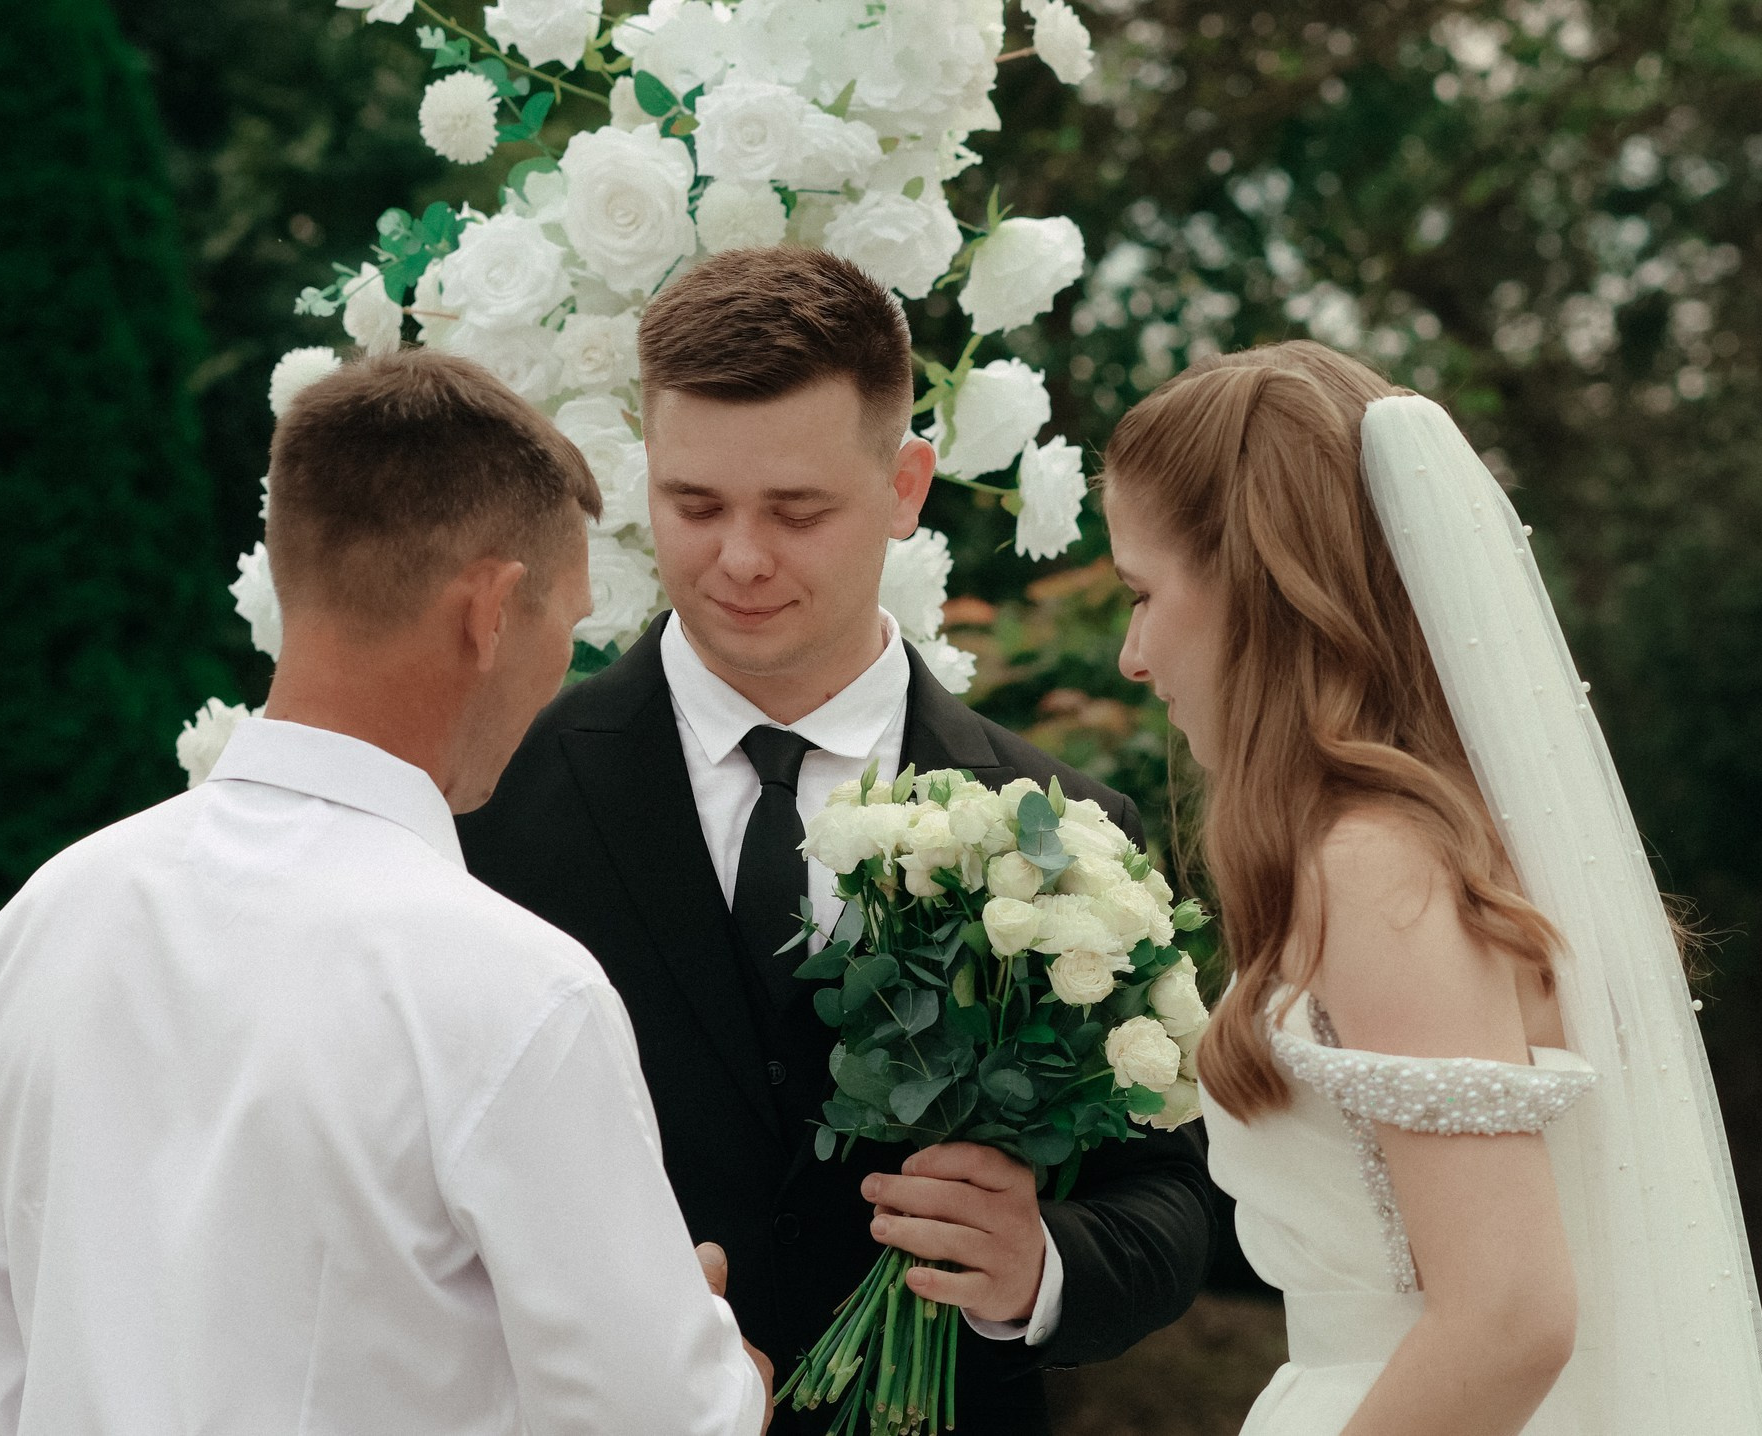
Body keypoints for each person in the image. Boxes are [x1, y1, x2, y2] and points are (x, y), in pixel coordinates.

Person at [0, 349, 773, 1436]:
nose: (571, 663)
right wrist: (720, 1365)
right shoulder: (516, 989)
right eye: (571, 623)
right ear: (492, 610)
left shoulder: (41, 921)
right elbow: (659, 1422)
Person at [458, 247, 1215, 1435]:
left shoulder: (1072, 832)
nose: (740, 557)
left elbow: (1171, 1198)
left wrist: (1041, 1261)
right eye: (693, 505)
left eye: (797, 510)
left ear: (907, 484)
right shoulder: (487, 803)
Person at [1099, 341, 1762, 1436]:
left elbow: (1508, 1315)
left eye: (1142, 592)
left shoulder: (1376, 869)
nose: (1131, 654)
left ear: (1260, 591)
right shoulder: (1454, 854)